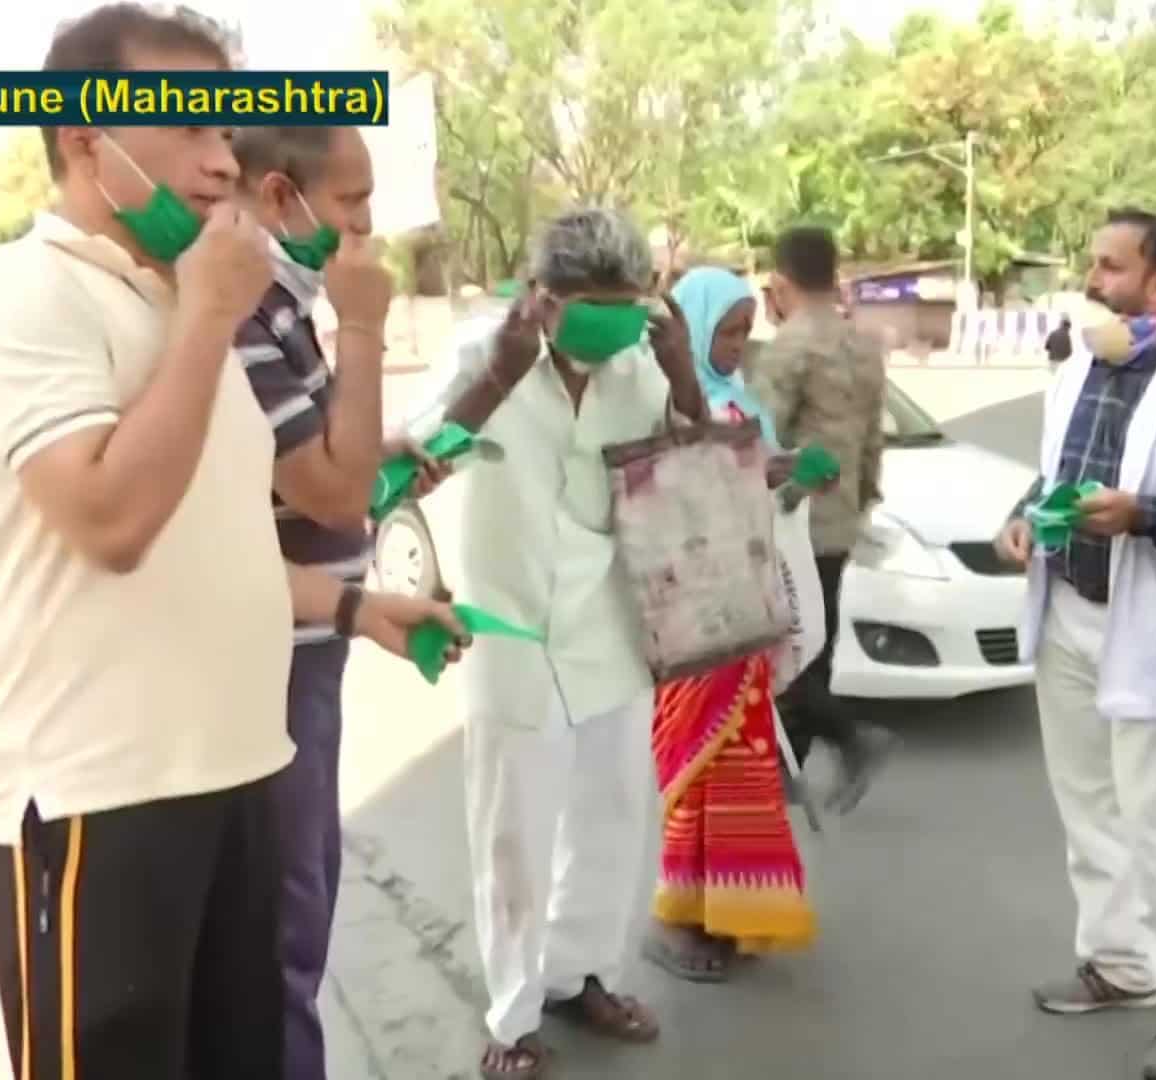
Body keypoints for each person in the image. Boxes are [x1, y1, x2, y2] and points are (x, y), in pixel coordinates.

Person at [0, 7, 465, 1079]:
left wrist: (357, 609)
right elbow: (113, 523)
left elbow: (214, 549)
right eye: (191, 133)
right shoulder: (19, 294)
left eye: (228, 133)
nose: (225, 162)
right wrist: (208, 319)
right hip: (99, 803)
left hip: (237, 781)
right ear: (86, 139)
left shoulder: (185, 303)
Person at [400, 208, 709, 1080]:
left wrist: (682, 371)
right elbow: (412, 462)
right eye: (594, 303)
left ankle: (586, 976)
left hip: (612, 625)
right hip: (512, 631)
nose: (615, 319)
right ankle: (512, 1016)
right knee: (516, 833)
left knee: (612, 816)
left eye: (630, 301)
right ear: (543, 297)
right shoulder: (481, 353)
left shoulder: (636, 367)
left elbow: (692, 464)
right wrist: (496, 380)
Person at [991, 209, 1156, 1080]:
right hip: (1066, 602)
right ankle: (1120, 962)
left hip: (1141, 619)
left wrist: (1141, 515)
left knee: (1154, 817)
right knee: (1085, 802)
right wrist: (1022, 518)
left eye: (1112, 267)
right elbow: (1053, 473)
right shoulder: (1076, 369)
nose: (1093, 281)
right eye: (1091, 263)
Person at [228, 125, 451, 1080]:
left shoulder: (283, 309)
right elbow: (329, 490)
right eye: (353, 202)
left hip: (315, 635)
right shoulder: (249, 315)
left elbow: (323, 465)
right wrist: (364, 327)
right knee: (287, 914)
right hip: (273, 653)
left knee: (298, 903)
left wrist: (383, 450)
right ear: (282, 198)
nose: (368, 226)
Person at [638, 266, 818, 983]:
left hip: (747, 604)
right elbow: (669, 494)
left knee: (741, 766)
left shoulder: (743, 404)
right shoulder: (659, 402)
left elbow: (759, 490)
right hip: (691, 615)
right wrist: (755, 473)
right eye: (730, 328)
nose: (741, 343)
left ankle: (733, 909)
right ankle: (675, 919)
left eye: (748, 329)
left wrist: (796, 475)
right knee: (694, 767)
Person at [747, 224, 898, 814]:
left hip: (790, 521)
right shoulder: (862, 346)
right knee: (816, 648)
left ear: (779, 282)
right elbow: (872, 442)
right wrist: (862, 502)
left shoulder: (789, 348)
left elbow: (765, 438)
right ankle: (788, 776)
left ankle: (850, 740)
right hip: (839, 520)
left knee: (787, 655)